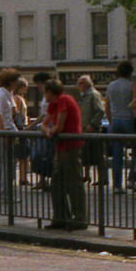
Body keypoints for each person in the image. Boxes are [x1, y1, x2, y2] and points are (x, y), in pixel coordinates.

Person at [42, 79, 87, 230]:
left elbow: (59, 125)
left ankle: (79, 218)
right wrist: (48, 130)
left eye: (45, 92)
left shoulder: (63, 100)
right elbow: (44, 123)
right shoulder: (53, 104)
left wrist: (50, 130)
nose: (44, 95)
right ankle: (60, 216)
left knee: (73, 182)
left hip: (71, 146)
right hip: (61, 147)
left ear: (50, 92)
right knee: (57, 183)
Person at [105, 61, 136, 191]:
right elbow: (134, 105)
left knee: (117, 154)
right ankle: (131, 179)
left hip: (115, 120)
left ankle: (117, 185)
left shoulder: (111, 86)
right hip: (128, 119)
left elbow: (107, 105)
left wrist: (110, 120)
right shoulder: (131, 86)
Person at [76, 75, 106, 186]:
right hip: (83, 129)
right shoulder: (83, 96)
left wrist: (92, 124)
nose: (78, 86)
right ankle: (87, 175)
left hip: (93, 129)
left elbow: (100, 111)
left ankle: (102, 178)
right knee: (85, 154)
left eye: (81, 83)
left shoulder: (93, 94)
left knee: (98, 155)